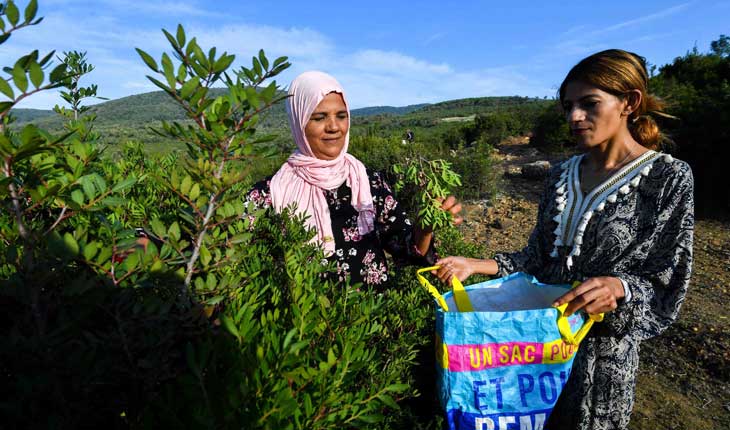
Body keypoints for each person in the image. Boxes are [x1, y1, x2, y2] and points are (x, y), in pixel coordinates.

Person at [433, 49, 694, 429]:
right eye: (568, 106)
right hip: (534, 352)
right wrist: (474, 265)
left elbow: (668, 280)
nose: (574, 117)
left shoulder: (667, 178)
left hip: (601, 365)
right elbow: (538, 259)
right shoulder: (559, 176)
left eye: (589, 104)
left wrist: (620, 288)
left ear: (629, 103)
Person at [246, 71, 462, 287]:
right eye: (319, 117)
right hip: (301, 319)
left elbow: (407, 254)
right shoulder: (270, 193)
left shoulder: (368, 182)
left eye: (341, 115)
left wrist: (425, 228)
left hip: (372, 317)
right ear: (299, 122)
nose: (334, 127)